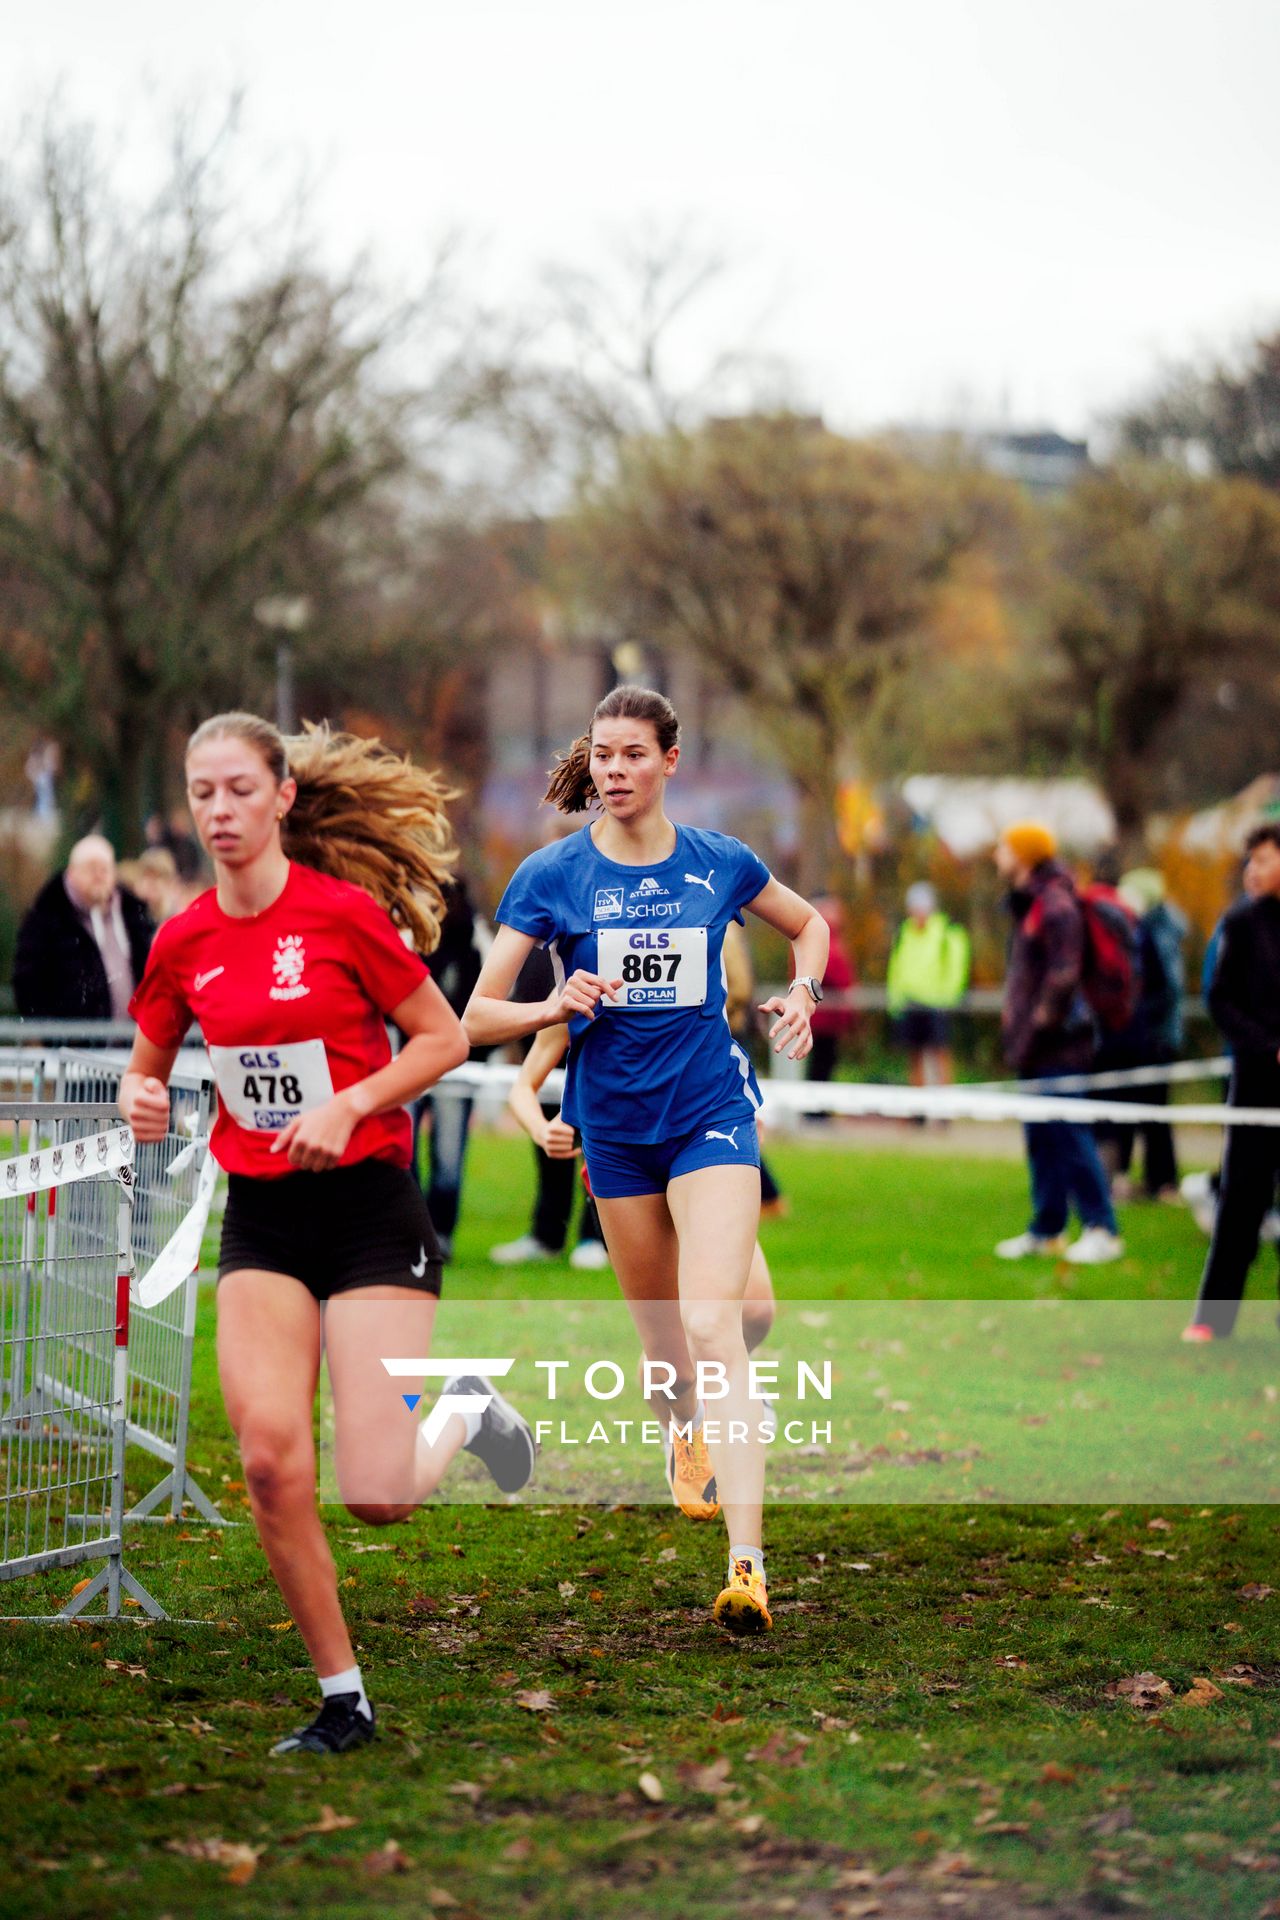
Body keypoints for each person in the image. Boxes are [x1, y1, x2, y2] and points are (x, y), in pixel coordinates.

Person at [118, 712, 535, 1757]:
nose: (219, 811)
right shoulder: (183, 939)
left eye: (239, 791)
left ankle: (467, 1408)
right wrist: (140, 1094)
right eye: (202, 792)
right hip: (262, 1217)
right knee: (267, 1463)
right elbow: (147, 1053)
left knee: (377, 1494)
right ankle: (343, 1696)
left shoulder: (341, 917)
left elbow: (439, 1038)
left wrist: (350, 1105)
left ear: (282, 797)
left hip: (366, 1213)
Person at [463, 684, 829, 1635]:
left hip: (710, 1114)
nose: (615, 771)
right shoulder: (552, 876)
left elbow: (811, 925)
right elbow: (474, 1016)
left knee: (725, 1325)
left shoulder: (721, 864)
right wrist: (554, 1006)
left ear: (671, 760)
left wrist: (804, 991)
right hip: (616, 1135)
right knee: (672, 1357)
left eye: (633, 754)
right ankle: (680, 1433)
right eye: (602, 754)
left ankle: (748, 1566)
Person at [993, 820, 1124, 1265]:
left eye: (1005, 847)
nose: (997, 855)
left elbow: (1063, 976)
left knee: (1069, 1132)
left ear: (1025, 854)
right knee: (1042, 1136)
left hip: (1060, 1043)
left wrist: (1035, 1027)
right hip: (1036, 1046)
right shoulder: (1030, 904)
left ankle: (1102, 1227)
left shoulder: (1056, 905)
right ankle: (1048, 1227)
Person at [1184, 823, 1280, 1341]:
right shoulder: (1241, 923)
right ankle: (1213, 1318)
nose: (1253, 870)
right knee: (1241, 1197)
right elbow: (1220, 1001)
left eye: (1263, 860)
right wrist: (1267, 1048)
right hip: (1256, 1084)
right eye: (1250, 861)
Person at [488, 945, 610, 1271]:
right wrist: (542, 1131)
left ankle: (593, 1238)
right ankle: (560, 1237)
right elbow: (523, 1087)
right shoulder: (573, 997)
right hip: (618, 1163)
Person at [1093, 868, 1188, 1203]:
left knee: (1153, 1112)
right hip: (1144, 1034)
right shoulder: (1148, 930)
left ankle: (1161, 1180)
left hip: (1153, 1037)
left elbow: (1167, 989)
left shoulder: (1155, 933)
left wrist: (1140, 1023)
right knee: (1134, 1109)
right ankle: (1137, 1177)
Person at [411, 875, 488, 1261]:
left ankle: (440, 1235)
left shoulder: (471, 946)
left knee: (447, 1155)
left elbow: (487, 1004)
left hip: (456, 1066)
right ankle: (409, 1234)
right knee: (403, 1151)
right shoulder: (404, 939)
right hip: (407, 1062)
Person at [13, 834, 154, 1022]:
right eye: (90, 868)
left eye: (104, 869)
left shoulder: (133, 913)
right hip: (71, 1043)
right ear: (71, 873)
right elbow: (27, 982)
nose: (99, 875)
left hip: (134, 1042)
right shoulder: (46, 918)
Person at [886, 882, 970, 1094]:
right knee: (914, 1058)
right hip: (910, 1003)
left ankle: (943, 1109)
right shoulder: (904, 932)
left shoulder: (946, 931)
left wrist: (949, 998)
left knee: (941, 1056)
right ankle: (918, 1110)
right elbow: (896, 968)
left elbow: (957, 967)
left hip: (937, 1005)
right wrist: (895, 1000)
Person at [805, 895, 860, 1088]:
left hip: (828, 1015)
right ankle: (816, 1111)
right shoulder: (823, 939)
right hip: (824, 1015)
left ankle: (817, 1109)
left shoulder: (827, 937)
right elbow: (834, 973)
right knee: (821, 1063)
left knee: (824, 1063)